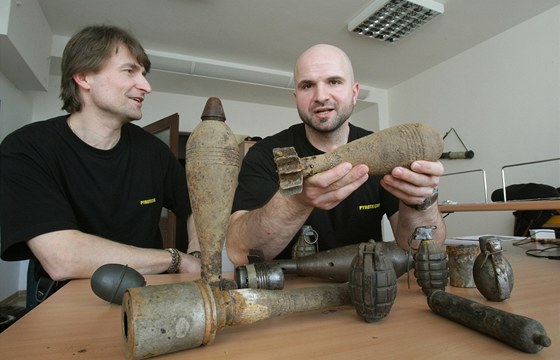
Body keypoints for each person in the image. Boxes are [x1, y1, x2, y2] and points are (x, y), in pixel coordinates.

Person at [0, 25, 200, 309]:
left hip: (146, 296)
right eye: (130, 71)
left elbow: (195, 207)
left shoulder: (155, 152)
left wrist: (200, 252)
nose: (146, 86)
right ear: (83, 77)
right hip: (61, 303)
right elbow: (62, 258)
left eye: (144, 74)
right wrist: (177, 259)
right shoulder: (26, 148)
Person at [226, 44, 446, 266]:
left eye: (334, 82)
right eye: (307, 85)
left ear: (354, 93)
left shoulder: (389, 154)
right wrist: (297, 201)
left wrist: (421, 201)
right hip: (283, 292)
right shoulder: (265, 154)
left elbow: (420, 250)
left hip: (370, 290)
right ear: (296, 97)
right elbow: (239, 253)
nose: (321, 96)